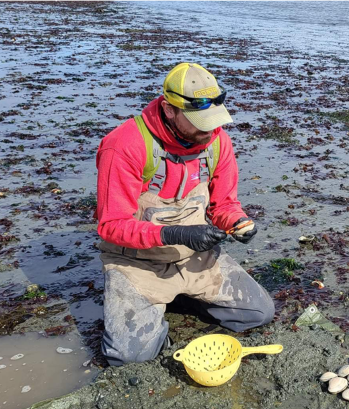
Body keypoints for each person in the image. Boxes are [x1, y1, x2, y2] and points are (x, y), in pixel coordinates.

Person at [95, 63, 274, 366]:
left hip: (194, 258)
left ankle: (179, 297)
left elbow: (224, 204)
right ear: (168, 109)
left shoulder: (217, 142)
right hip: (138, 263)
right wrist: (173, 233)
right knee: (128, 357)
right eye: (199, 121)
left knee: (258, 313)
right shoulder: (125, 146)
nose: (210, 130)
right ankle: (151, 305)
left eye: (214, 120)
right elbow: (111, 226)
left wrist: (237, 222)